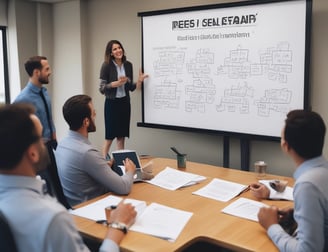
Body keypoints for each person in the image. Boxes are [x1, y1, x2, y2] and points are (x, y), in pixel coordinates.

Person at [0, 103, 137, 252]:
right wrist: (117, 226)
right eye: (40, 137)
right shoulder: (52, 219)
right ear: (33, 153)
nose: (45, 142)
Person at [257, 109, 328, 251]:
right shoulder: (323, 170)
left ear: (286, 146)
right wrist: (297, 214)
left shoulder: (307, 185)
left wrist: (271, 226)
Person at [55, 94, 136, 206]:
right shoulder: (87, 153)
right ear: (86, 122)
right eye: (93, 113)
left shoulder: (62, 145)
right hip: (94, 207)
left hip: (75, 205)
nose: (95, 115)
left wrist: (103, 167)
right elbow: (124, 188)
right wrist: (130, 170)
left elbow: (83, 174)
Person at [99, 40, 148, 157]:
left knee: (121, 137)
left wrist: (139, 81)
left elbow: (130, 87)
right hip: (111, 104)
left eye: (119, 48)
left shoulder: (128, 65)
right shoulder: (106, 65)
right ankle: (102, 164)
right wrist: (116, 83)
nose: (118, 51)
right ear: (111, 53)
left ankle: (120, 165)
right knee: (109, 137)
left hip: (124, 104)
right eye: (114, 49)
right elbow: (102, 89)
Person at [13, 56, 57, 149]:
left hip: (50, 146)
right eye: (47, 69)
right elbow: (17, 130)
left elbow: (49, 118)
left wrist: (54, 138)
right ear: (37, 72)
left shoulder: (44, 92)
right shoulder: (22, 99)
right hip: (37, 149)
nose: (50, 72)